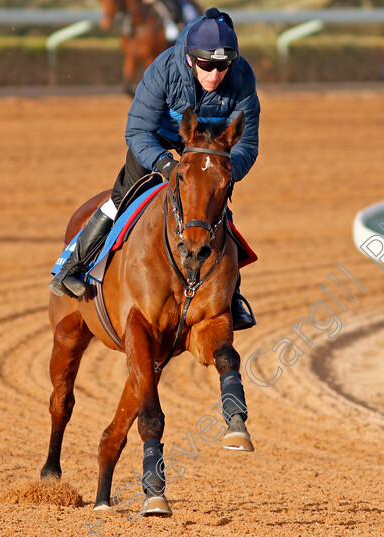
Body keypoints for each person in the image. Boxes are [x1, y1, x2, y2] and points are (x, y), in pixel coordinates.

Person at [50, 7, 260, 330]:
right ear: (191, 58)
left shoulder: (242, 76)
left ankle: (232, 296)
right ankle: (73, 266)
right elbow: (137, 131)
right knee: (122, 198)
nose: (215, 75)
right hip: (158, 142)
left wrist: (226, 173)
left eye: (222, 66)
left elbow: (247, 145)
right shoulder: (162, 70)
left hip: (209, 152)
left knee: (213, 208)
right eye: (207, 65)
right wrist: (164, 163)